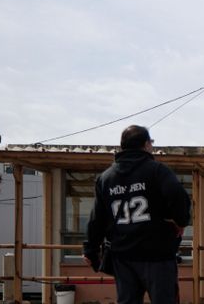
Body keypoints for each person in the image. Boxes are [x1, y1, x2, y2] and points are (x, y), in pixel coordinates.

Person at [83, 125, 191, 304]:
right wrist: (180, 221)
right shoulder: (157, 170)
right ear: (146, 144)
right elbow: (178, 196)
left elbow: (97, 218)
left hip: (123, 255)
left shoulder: (106, 178)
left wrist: (91, 250)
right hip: (158, 253)